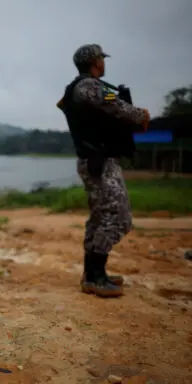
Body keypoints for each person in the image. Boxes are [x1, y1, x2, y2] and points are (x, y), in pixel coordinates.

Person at [56, 44, 150, 298]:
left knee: (100, 218)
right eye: (101, 59)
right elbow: (116, 105)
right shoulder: (91, 87)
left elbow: (110, 103)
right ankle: (95, 276)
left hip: (94, 159)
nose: (103, 63)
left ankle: (93, 275)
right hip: (100, 161)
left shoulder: (82, 88)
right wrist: (140, 115)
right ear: (95, 62)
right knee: (118, 218)